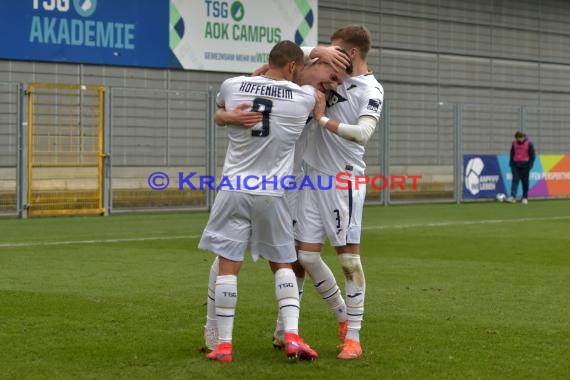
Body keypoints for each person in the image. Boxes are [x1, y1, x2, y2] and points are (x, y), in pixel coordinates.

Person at [199, 40, 350, 363]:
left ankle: (224, 342)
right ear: (300, 66)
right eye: (329, 73)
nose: (332, 84)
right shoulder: (307, 98)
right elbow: (300, 85)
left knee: (227, 260)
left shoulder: (234, 84)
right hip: (274, 191)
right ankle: (288, 334)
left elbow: (222, 108)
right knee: (283, 262)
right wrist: (317, 50)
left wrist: (227, 114)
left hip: (235, 186)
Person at [276, 25, 384, 360]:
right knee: (304, 257)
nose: (330, 55)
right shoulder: (328, 71)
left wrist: (322, 120)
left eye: (337, 50)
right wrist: (318, 50)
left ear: (352, 54)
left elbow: (363, 133)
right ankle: (339, 313)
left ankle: (353, 336)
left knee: (349, 258)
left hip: (343, 182)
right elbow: (284, 55)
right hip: (312, 179)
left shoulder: (371, 89)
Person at [507, 131, 535, 204]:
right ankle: (513, 197)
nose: (521, 139)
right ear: (516, 138)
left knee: (525, 182)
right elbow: (512, 154)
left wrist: (530, 165)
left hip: (525, 165)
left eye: (522, 137)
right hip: (515, 165)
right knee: (515, 180)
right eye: (519, 137)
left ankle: (525, 197)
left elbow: (532, 156)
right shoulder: (514, 144)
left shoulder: (529, 144)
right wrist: (511, 164)